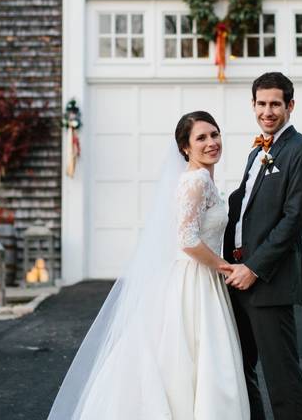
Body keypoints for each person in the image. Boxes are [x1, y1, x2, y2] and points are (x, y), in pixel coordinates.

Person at [47, 111, 250, 419]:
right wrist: (224, 267)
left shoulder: (203, 180)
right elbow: (187, 240)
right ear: (185, 148)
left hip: (198, 277)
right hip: (194, 279)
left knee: (196, 358)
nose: (212, 142)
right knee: (193, 358)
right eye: (201, 138)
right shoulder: (195, 182)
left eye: (215, 134)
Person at [224, 72, 302, 420]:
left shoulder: (301, 151)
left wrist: (254, 268)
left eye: (275, 104)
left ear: (290, 106)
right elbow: (244, 210)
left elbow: (293, 219)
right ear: (253, 105)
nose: (268, 111)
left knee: (281, 376)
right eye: (261, 103)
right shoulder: (257, 151)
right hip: (235, 278)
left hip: (268, 280)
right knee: (240, 369)